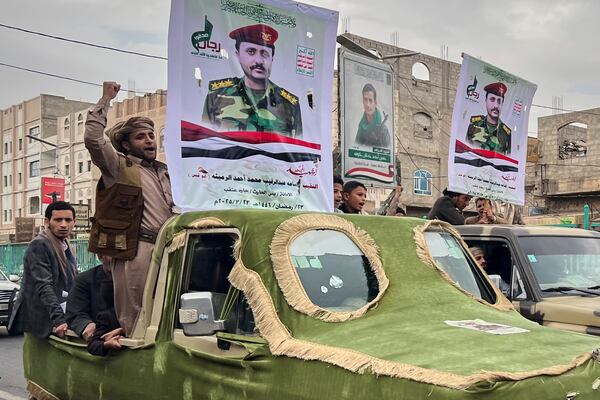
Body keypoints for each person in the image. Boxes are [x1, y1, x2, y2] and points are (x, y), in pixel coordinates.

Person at [85, 81, 175, 337]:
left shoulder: (165, 171)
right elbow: (92, 139)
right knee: (137, 315)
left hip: (171, 249)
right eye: (141, 137)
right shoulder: (118, 166)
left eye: (151, 136)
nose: (149, 141)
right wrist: (105, 100)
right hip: (137, 250)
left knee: (168, 313)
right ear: (125, 145)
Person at [202, 24, 303, 138]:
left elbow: (297, 152)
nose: (259, 60)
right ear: (238, 55)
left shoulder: (289, 105)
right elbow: (204, 145)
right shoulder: (217, 96)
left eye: (264, 53)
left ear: (272, 59)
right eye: (251, 51)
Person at [9, 201, 77, 338]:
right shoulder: (39, 245)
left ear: (74, 222)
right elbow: (44, 285)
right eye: (58, 220)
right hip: (42, 320)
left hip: (62, 309)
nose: (63, 224)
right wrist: (59, 320)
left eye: (68, 220)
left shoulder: (65, 245)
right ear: (47, 221)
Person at [65, 255, 111, 341]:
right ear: (100, 256)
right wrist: (86, 325)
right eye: (112, 254)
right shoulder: (84, 280)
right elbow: (75, 314)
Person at [466, 82, 511, 155]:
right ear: (486, 100)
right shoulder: (474, 125)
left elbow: (508, 160)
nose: (496, 105)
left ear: (502, 104)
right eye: (492, 99)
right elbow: (466, 152)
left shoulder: (506, 134)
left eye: (499, 101)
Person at [355, 84, 390, 148]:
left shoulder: (383, 130)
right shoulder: (361, 128)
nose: (367, 105)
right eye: (365, 100)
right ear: (363, 101)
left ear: (375, 103)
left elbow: (387, 154)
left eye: (370, 100)